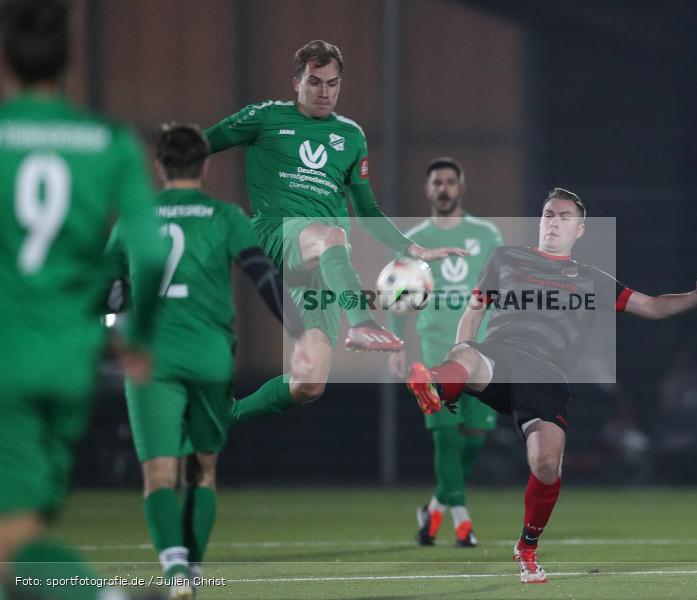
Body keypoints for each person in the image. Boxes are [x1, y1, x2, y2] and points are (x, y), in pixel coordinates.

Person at [406, 187, 697, 583]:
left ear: (579, 229)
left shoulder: (591, 279)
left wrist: (696, 297)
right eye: (547, 214)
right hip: (500, 357)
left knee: (546, 463)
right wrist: (460, 350)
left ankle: (526, 547)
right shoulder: (506, 258)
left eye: (563, 216)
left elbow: (650, 305)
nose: (553, 221)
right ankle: (439, 387)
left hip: (545, 376)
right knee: (465, 356)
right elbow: (475, 309)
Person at [0, 1, 167, 598]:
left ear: (5, 61)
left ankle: (104, 597)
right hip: (70, 362)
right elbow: (148, 254)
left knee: (11, 545)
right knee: (24, 534)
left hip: (7, 361)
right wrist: (138, 338)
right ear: (70, 58)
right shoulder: (110, 144)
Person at [205, 40, 464, 422]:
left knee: (309, 383)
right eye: (314, 82)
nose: (324, 92)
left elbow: (367, 209)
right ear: (296, 82)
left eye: (332, 83)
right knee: (330, 236)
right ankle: (361, 324)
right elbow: (202, 144)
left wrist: (412, 249)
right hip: (277, 233)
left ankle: (226, 416)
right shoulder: (266, 117)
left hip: (322, 262)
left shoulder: (351, 136)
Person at [106, 124, 304, 599]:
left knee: (159, 474)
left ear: (159, 167)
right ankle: (193, 571)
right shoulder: (227, 216)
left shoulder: (135, 217)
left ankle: (175, 573)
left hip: (151, 359)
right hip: (210, 355)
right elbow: (262, 275)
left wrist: (111, 330)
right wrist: (298, 330)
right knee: (202, 470)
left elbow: (109, 291)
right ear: (206, 165)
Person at [386, 158, 502, 547]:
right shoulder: (415, 239)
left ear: (461, 186)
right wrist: (397, 344)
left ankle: (433, 508)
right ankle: (462, 522)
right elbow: (399, 296)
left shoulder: (486, 235)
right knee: (446, 439)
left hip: (480, 355)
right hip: (436, 357)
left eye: (450, 182)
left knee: (473, 440)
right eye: (437, 182)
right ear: (428, 189)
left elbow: (504, 287)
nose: (444, 189)